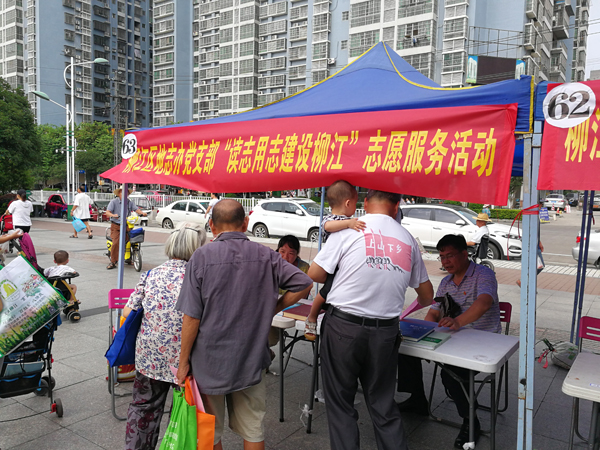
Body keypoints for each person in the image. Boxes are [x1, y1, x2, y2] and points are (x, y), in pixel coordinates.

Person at [176, 199, 313, 450]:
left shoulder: (201, 257)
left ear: (212, 226)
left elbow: (192, 317)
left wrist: (183, 361)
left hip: (210, 362)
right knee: (253, 429)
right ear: (246, 223)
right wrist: (274, 307)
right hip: (251, 358)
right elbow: (304, 283)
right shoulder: (266, 255)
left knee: (209, 431)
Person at [307, 189, 434, 450]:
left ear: (365, 203)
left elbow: (315, 274)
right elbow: (427, 296)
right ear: (397, 206)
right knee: (383, 404)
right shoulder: (408, 239)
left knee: (340, 403)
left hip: (342, 328)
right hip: (385, 333)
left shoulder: (348, 229)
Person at [397, 234, 500, 449]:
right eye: (442, 257)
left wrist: (458, 321)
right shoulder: (446, 282)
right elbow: (434, 312)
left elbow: (484, 302)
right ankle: (417, 399)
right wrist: (423, 334)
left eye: (450, 256)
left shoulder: (483, 274)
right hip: (451, 338)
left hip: (482, 340)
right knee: (405, 349)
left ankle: (471, 421)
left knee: (452, 373)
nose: (445, 262)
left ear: (464, 254)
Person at [123, 222, 207, 450]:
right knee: (184, 411)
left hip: (150, 356)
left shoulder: (151, 274)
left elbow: (127, 312)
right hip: (187, 360)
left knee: (143, 408)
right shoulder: (201, 278)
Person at [304, 180, 365, 340]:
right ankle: (311, 317)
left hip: (340, 263)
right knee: (324, 292)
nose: (356, 208)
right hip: (331, 263)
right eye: (355, 204)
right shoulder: (330, 219)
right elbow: (328, 227)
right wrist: (348, 223)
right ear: (348, 203)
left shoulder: (346, 221)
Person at [105, 186, 147, 270]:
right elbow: (107, 212)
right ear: (119, 193)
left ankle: (129, 258)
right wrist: (113, 215)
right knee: (116, 242)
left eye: (126, 192)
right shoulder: (113, 202)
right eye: (122, 192)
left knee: (131, 241)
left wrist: (142, 213)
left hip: (127, 225)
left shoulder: (129, 202)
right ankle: (113, 261)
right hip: (116, 226)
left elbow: (136, 209)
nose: (125, 194)